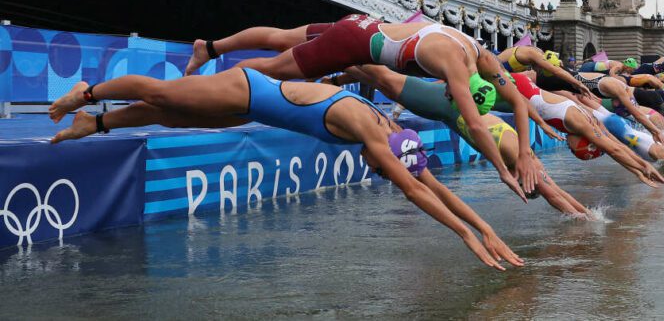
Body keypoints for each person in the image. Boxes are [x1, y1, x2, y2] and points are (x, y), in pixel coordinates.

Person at [49, 70, 523, 271]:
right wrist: (465, 236)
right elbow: (419, 194)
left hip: (255, 109)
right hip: (249, 90)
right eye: (382, 173)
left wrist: (485, 228)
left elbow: (430, 184)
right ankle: (87, 94)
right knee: (162, 95)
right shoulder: (375, 133)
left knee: (173, 116)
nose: (380, 176)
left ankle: (96, 123)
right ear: (387, 158)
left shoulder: (393, 133)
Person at [182, 17, 541, 201]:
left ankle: (210, 48)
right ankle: (209, 87)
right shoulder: (455, 68)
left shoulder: (480, 55)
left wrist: (524, 152)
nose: (448, 96)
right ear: (463, 85)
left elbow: (518, 103)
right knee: (274, 70)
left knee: (279, 37)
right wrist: (504, 171)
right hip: (351, 44)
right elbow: (477, 126)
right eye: (453, 96)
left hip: (360, 23)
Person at [332, 65, 592, 218]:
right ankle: (335, 68)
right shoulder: (520, 161)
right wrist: (583, 221)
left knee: (384, 79)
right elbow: (553, 195)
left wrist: (587, 214)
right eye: (523, 188)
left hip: (447, 106)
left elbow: (557, 192)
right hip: (444, 106)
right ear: (524, 183)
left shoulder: (529, 161)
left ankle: (335, 76)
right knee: (384, 78)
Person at [505, 72, 664, 187]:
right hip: (518, 85)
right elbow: (614, 150)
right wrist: (643, 167)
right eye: (574, 150)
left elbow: (616, 147)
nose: (570, 149)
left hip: (525, 86)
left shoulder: (589, 121)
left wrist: (638, 170)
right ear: (584, 141)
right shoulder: (579, 123)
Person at [494, 47, 594, 99]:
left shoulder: (535, 53)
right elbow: (556, 71)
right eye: (542, 69)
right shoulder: (534, 54)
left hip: (498, 72)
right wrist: (578, 84)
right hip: (491, 70)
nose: (538, 72)